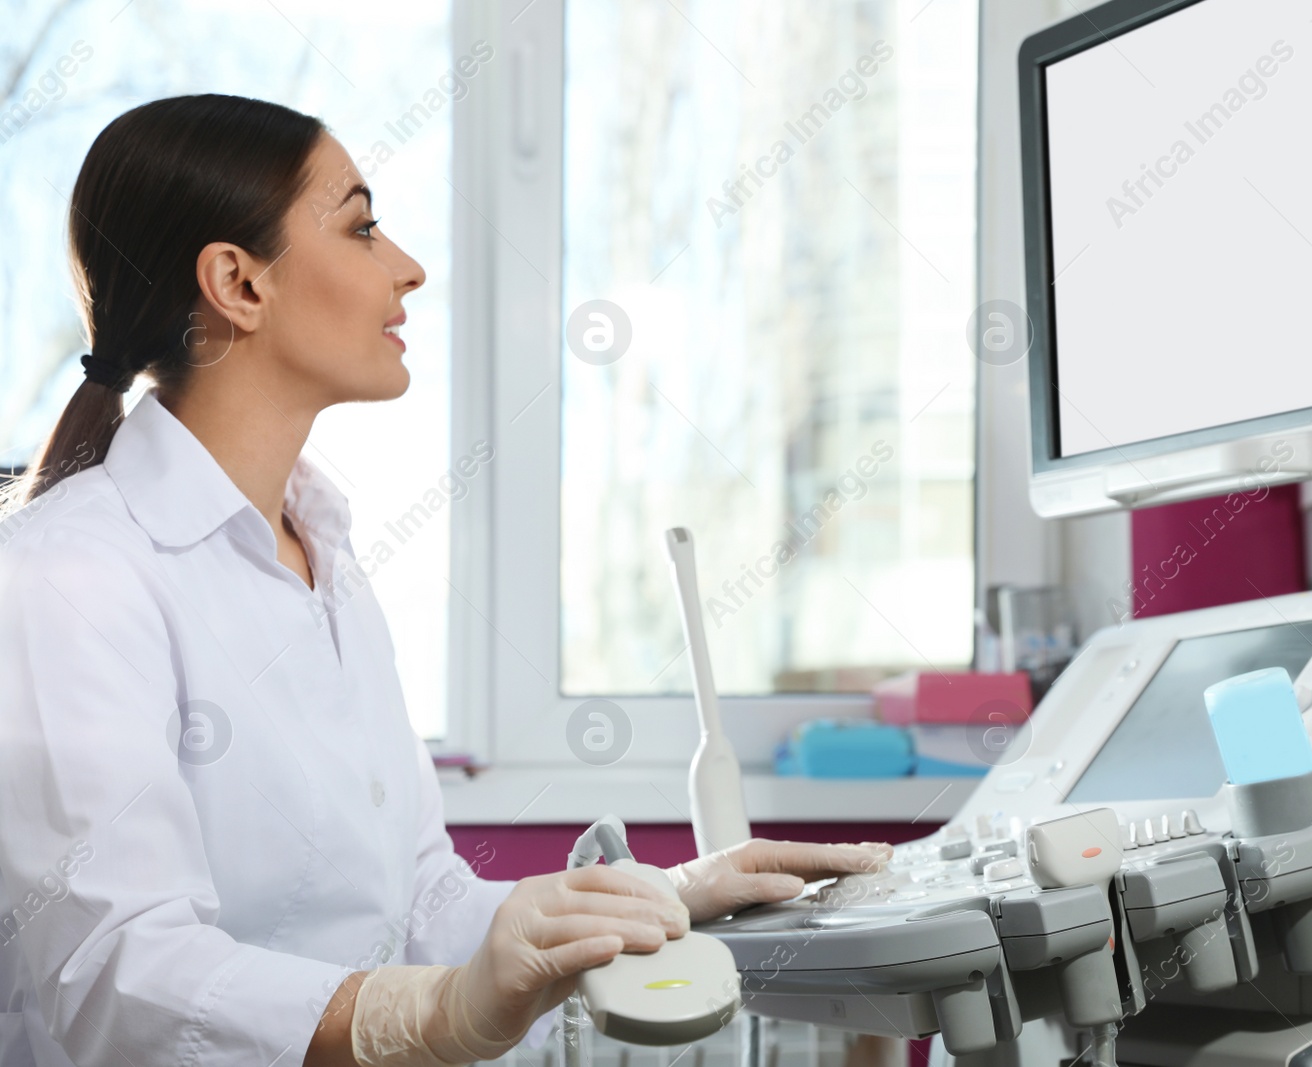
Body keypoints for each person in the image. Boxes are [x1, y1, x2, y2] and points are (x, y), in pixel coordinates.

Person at [0, 94, 890, 1067]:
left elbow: (423, 904)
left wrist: (660, 893)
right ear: (237, 284)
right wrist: (429, 1016)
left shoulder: (320, 554)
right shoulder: (70, 575)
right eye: (362, 226)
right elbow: (120, 976)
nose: (408, 267)